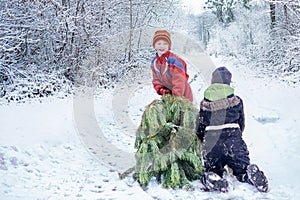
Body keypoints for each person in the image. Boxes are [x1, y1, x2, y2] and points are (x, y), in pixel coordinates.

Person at [196, 67, 268, 192]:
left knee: (212, 168)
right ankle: (249, 175)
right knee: (241, 169)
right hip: (233, 137)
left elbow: (200, 126)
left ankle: (213, 178)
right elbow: (241, 123)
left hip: (211, 140)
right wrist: (236, 137)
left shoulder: (204, 103)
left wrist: (203, 139)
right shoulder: (236, 100)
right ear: (229, 82)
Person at [150, 30, 193, 102]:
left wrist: (176, 97)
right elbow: (156, 80)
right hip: (169, 96)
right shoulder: (154, 63)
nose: (162, 46)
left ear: (169, 46)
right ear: (154, 45)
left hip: (182, 95)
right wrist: (161, 90)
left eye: (165, 44)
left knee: (181, 113)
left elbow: (179, 81)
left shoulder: (174, 61)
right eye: (159, 43)